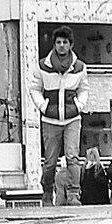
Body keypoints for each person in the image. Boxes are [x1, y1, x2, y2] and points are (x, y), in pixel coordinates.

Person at [34, 25, 88, 206]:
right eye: (58, 42)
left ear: (71, 44)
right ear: (54, 44)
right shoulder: (43, 66)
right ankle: (47, 192)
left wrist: (79, 106)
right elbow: (34, 88)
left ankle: (74, 194)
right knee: (50, 161)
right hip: (50, 119)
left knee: (72, 157)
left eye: (65, 42)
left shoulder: (80, 67)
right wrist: (43, 106)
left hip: (72, 118)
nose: (62, 45)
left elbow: (84, 89)